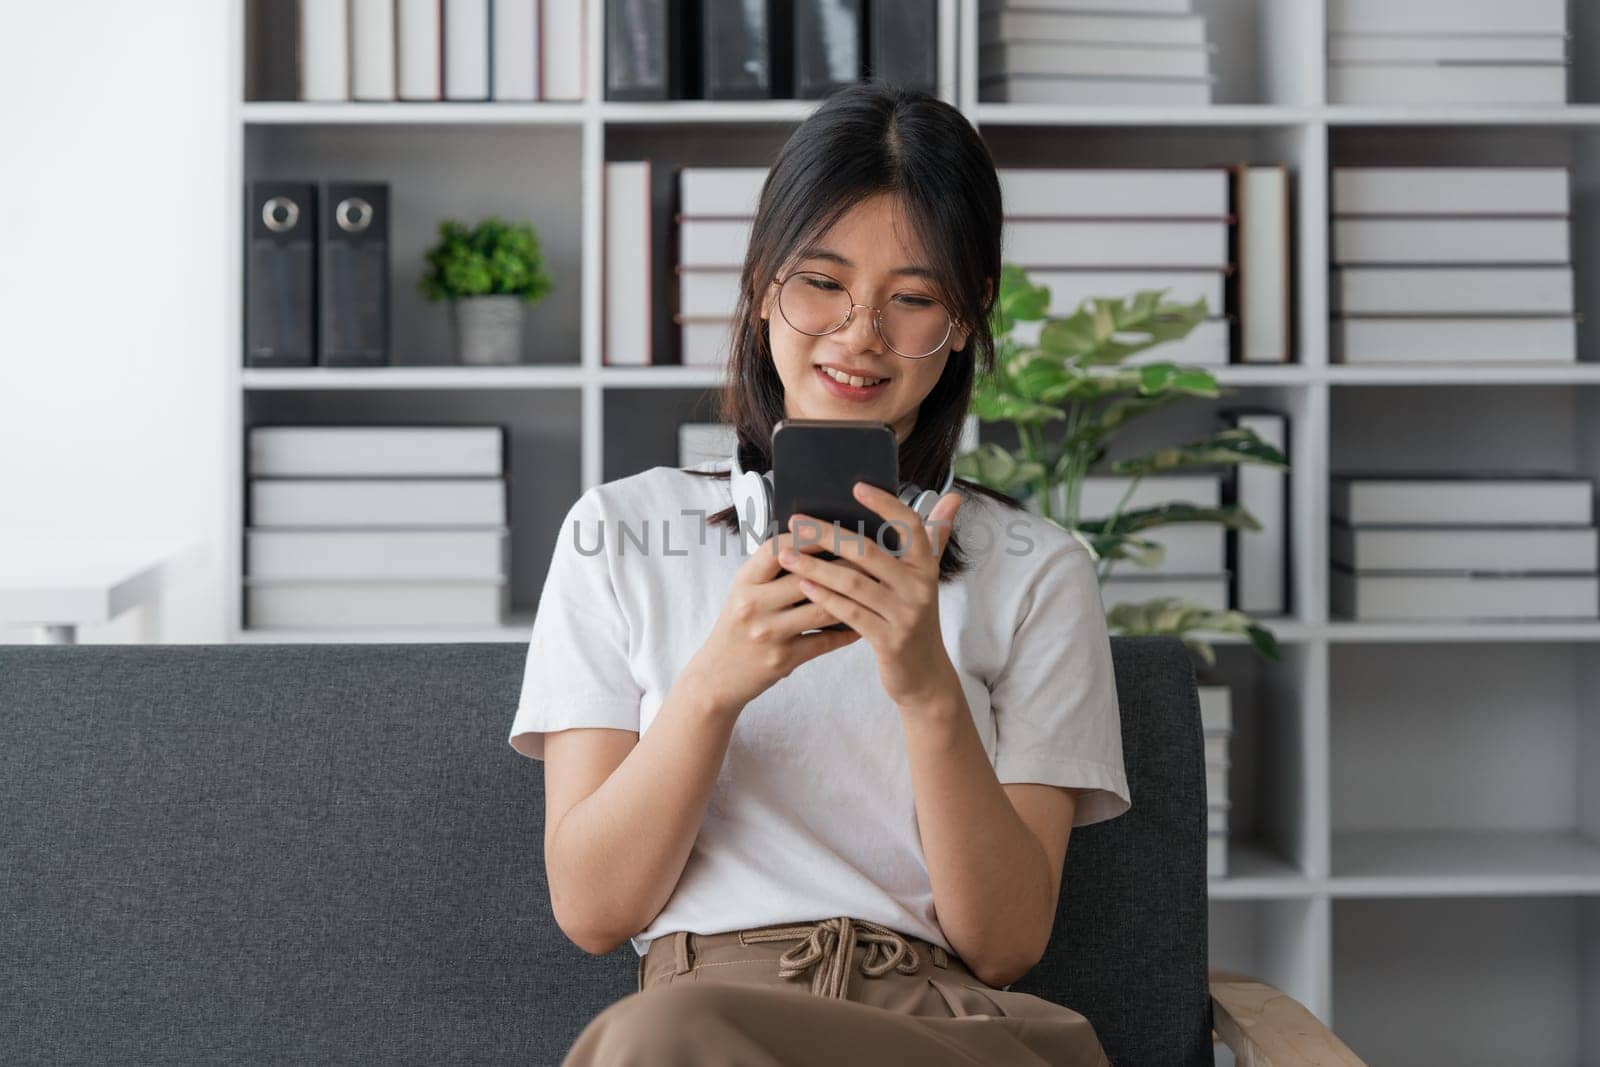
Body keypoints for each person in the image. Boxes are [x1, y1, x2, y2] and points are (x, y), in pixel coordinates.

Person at [507, 81, 1131, 1066]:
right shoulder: (621, 531)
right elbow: (593, 908)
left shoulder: (1036, 569)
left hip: (947, 1030)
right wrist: (715, 682)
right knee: (663, 1035)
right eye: (821, 282)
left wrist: (926, 686)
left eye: (914, 297)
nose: (859, 333)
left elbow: (1004, 943)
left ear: (965, 322)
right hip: (703, 1027)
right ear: (761, 286)